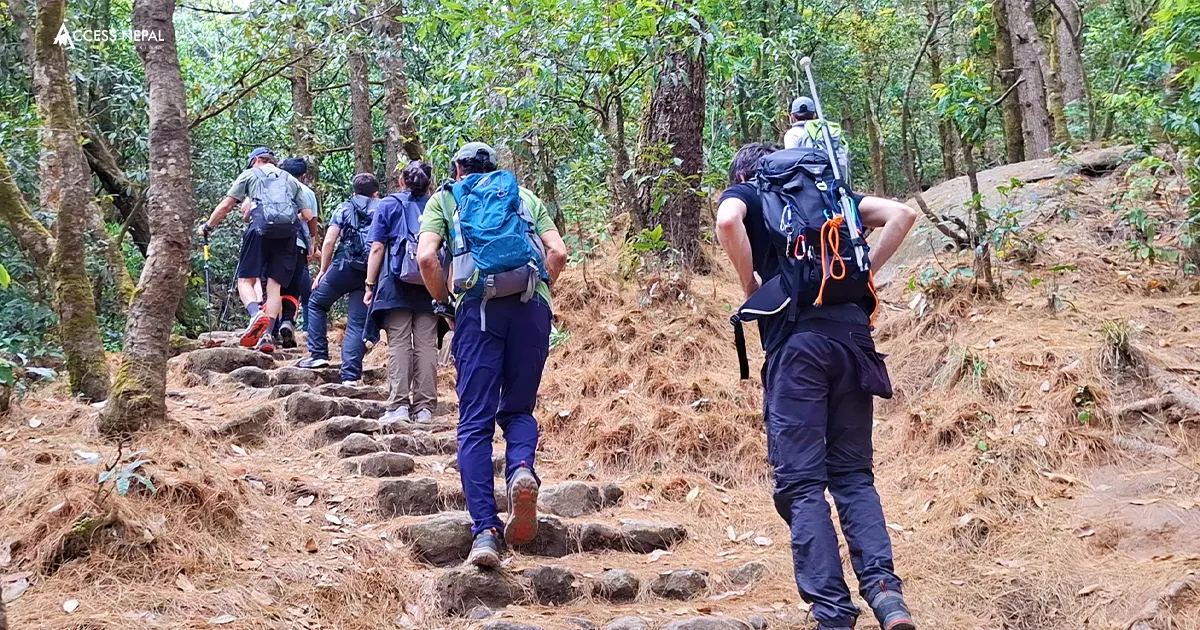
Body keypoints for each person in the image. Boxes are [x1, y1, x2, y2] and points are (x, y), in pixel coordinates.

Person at [715, 143, 918, 630]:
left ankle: (832, 612)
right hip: (853, 341)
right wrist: (864, 270)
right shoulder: (833, 194)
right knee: (852, 476)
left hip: (798, 348)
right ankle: (887, 596)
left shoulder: (752, 191)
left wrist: (751, 285)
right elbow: (903, 214)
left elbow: (726, 222)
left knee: (802, 483)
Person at [416, 142, 568, 567]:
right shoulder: (523, 196)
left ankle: (484, 531)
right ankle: (521, 469)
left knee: (475, 423)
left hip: (478, 311)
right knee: (518, 409)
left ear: (457, 169)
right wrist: (537, 288)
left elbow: (426, 257)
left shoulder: (446, 198)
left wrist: (444, 302)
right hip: (531, 309)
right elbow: (558, 253)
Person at [199, 147, 315, 350]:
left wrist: (207, 226)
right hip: (288, 235)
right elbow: (307, 214)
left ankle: (255, 315)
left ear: (255, 161)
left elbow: (227, 205)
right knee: (274, 287)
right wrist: (289, 221)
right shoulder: (289, 179)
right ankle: (267, 336)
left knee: (245, 281)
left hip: (259, 231)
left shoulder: (250, 175)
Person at [363, 161, 439, 424]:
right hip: (431, 282)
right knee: (427, 345)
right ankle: (425, 408)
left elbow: (377, 248)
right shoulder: (437, 204)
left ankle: (398, 407)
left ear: (401, 181)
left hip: (395, 283)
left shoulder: (388, 204)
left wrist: (370, 285)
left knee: (399, 344)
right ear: (429, 182)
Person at [296, 173, 380, 386]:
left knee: (316, 302)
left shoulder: (345, 207)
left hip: (344, 267)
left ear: (354, 192)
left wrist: (323, 270)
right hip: (371, 271)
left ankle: (318, 355)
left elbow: (330, 241)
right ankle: (351, 376)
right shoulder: (384, 207)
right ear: (376, 193)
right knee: (357, 322)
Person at [275, 157, 321, 348]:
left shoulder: (274, 188)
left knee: (272, 286)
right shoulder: (307, 192)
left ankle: (270, 328)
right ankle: (290, 322)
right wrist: (312, 242)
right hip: (298, 243)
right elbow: (312, 220)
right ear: (303, 176)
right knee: (295, 287)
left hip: (272, 242)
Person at [784, 96, 852, 186]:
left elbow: (791, 164)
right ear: (814, 115)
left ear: (792, 116)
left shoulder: (792, 134)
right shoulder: (827, 130)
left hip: (809, 184)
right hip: (834, 181)